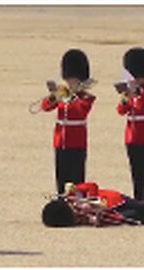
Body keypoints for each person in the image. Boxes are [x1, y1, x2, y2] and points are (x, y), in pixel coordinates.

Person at [41, 49, 96, 194]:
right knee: (61, 180)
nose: (69, 82)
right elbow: (45, 107)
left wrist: (67, 96)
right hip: (60, 142)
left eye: (72, 79)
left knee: (77, 182)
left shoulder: (86, 97)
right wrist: (54, 95)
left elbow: (79, 111)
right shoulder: (62, 93)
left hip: (77, 143)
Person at [116, 47, 144, 203]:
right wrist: (126, 97)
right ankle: (137, 199)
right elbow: (121, 110)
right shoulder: (130, 89)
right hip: (131, 135)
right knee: (135, 170)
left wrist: (139, 92)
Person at [42, 182, 144, 227]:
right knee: (134, 217)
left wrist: (89, 202)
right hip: (111, 212)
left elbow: (92, 186)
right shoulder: (76, 214)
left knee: (142, 206)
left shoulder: (74, 194)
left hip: (114, 200)